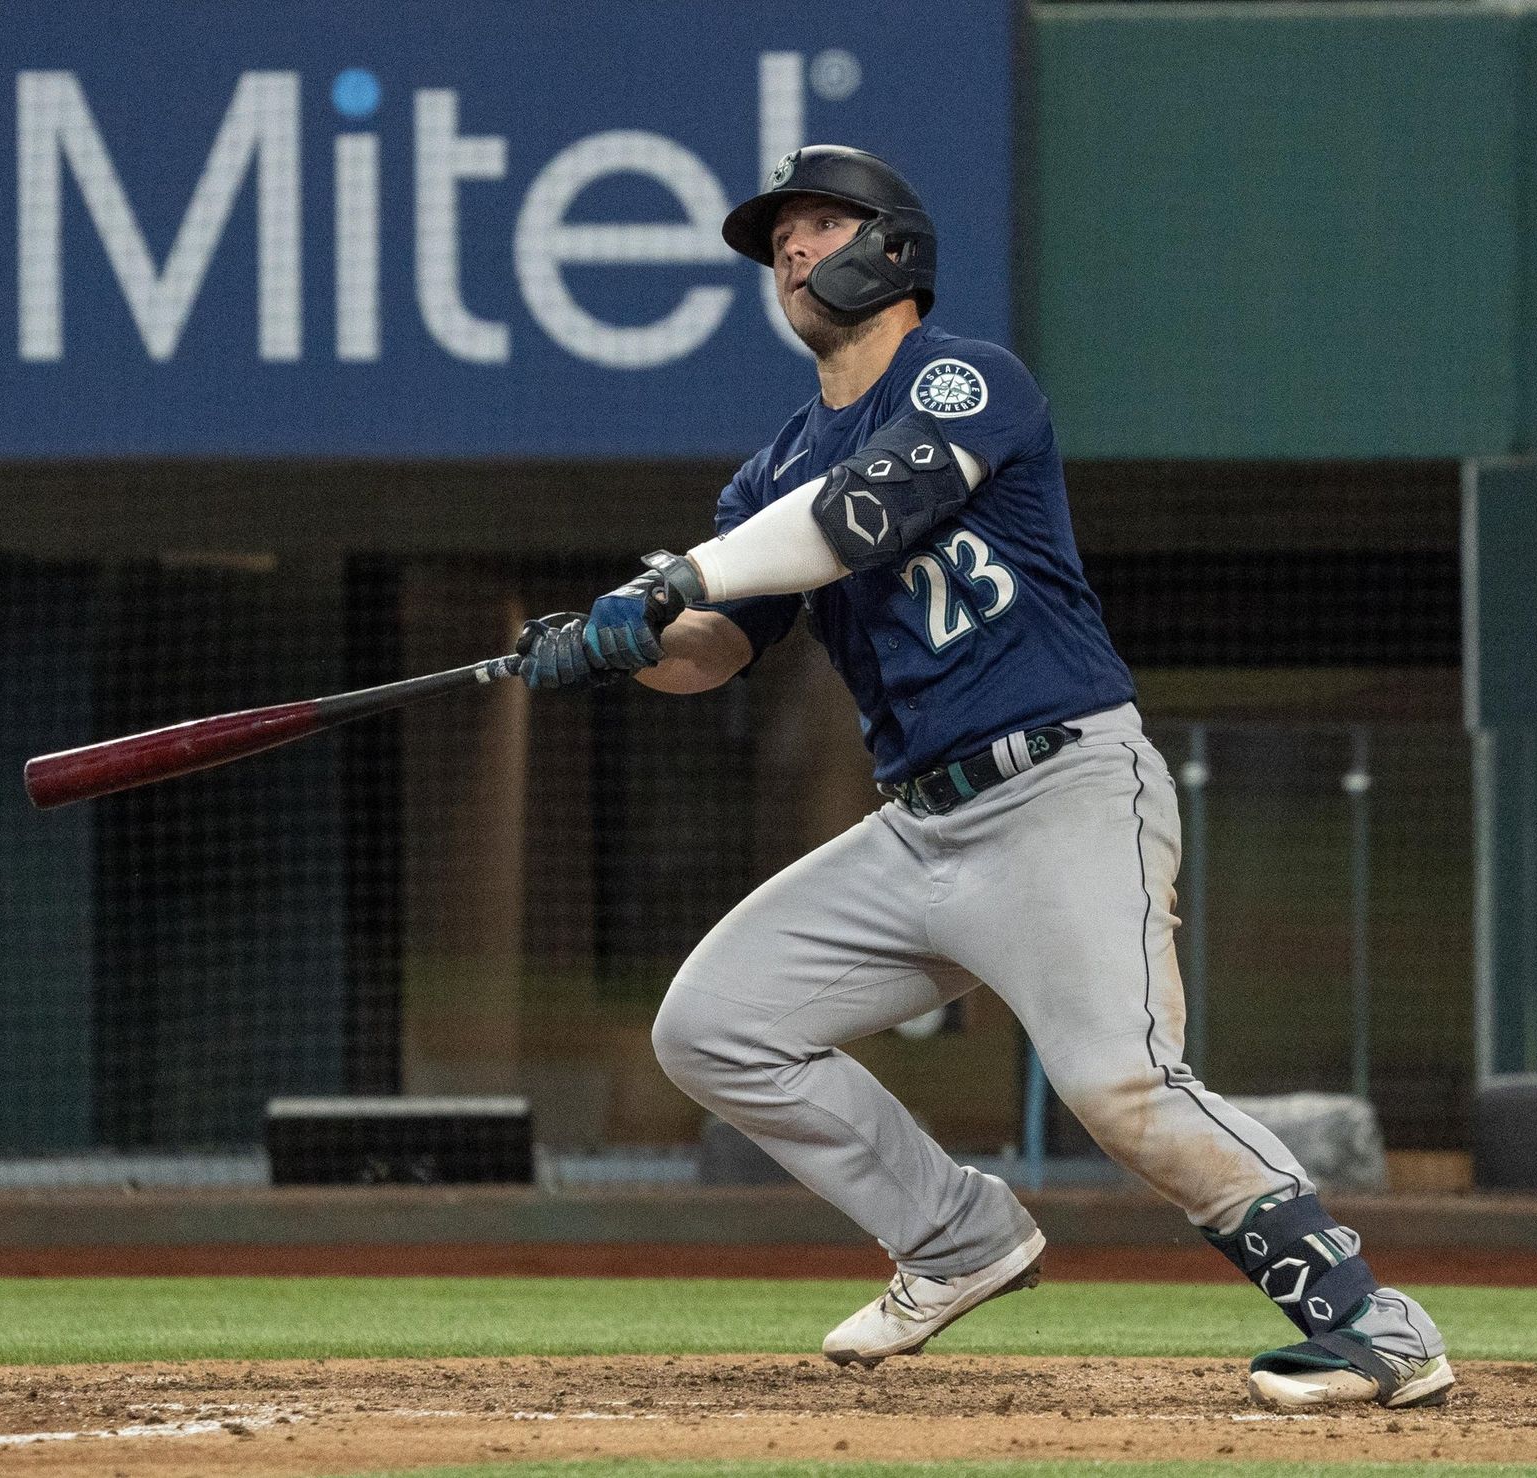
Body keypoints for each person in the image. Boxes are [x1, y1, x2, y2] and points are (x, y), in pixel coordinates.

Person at [512, 144, 1452, 1410]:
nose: (790, 250)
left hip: (1064, 789)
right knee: (713, 1025)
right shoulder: (770, 470)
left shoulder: (967, 380)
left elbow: (856, 519)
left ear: (892, 248)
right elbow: (719, 647)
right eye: (778, 237)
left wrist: (675, 573)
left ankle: (1372, 1325)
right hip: (918, 833)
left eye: (818, 224)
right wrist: (622, 644)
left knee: (1121, 1084)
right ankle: (955, 1232)